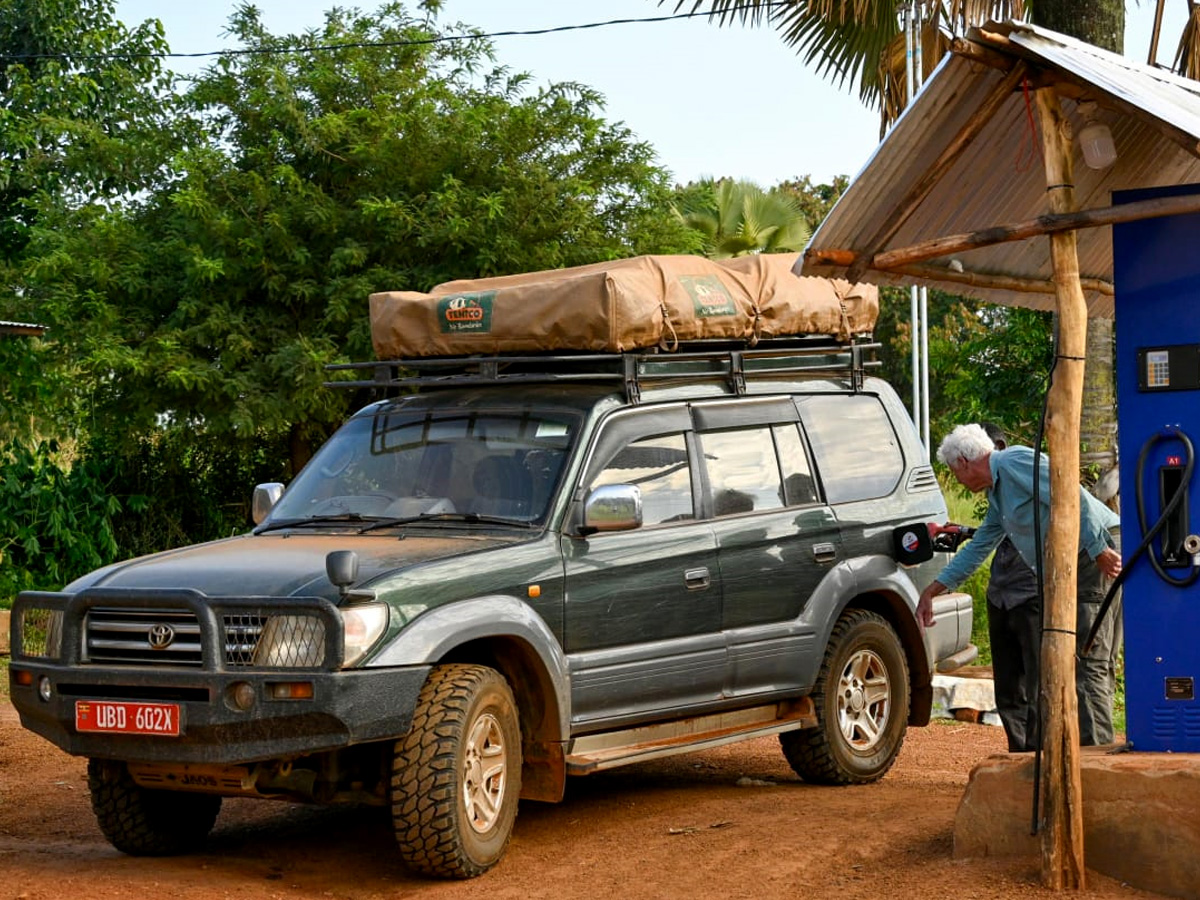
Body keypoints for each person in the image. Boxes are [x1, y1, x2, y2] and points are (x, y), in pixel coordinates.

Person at [917, 423, 1122, 747]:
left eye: (955, 473)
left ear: (964, 463)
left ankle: (1095, 762)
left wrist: (1099, 549)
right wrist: (933, 590)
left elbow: (1068, 492)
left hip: (1093, 552)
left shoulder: (1014, 462)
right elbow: (980, 546)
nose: (957, 480)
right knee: (1089, 660)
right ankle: (1090, 754)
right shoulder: (998, 492)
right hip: (1086, 554)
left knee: (1087, 660)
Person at [976, 423, 1042, 752]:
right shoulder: (995, 493)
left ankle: (1037, 759)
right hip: (1000, 594)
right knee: (1008, 689)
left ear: (998, 446)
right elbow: (991, 534)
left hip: (1031, 593)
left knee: (1038, 682)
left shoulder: (1022, 473)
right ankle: (1020, 755)